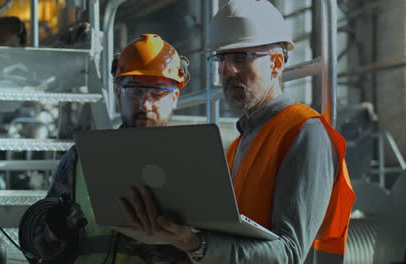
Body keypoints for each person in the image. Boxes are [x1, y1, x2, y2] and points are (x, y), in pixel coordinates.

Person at [118, 1, 355, 263]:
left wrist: (196, 243)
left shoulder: (304, 131)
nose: (226, 70)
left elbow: (289, 254)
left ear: (276, 63)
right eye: (221, 58)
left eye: (241, 58)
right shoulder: (240, 144)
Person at [31, 33, 192, 264]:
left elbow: (213, 249)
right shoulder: (81, 158)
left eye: (157, 93)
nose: (145, 105)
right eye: (135, 91)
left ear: (174, 97)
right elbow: (38, 249)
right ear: (118, 91)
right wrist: (57, 230)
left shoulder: (191, 162)